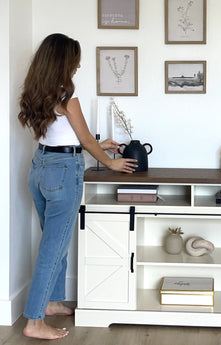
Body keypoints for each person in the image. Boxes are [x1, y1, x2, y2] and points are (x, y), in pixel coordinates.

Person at [18, 33, 138, 340]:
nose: (79, 64)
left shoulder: (39, 91)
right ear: (63, 61)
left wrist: (100, 145)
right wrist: (109, 162)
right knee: (53, 248)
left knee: (53, 242)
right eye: (75, 58)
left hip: (40, 168)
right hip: (63, 172)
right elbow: (84, 140)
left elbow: (68, 136)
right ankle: (33, 321)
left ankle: (53, 302)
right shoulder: (66, 96)